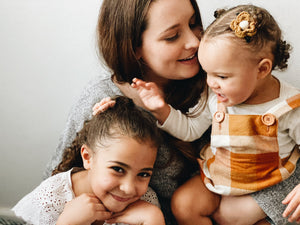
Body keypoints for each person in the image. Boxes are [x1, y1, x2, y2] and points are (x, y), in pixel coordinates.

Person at [131, 4, 300, 225]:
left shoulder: (289, 107)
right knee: (184, 204)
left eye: (221, 76)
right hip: (217, 179)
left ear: (262, 69)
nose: (211, 83)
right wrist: (160, 109)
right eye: (207, 73)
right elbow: (190, 130)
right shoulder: (215, 96)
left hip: (267, 184)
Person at [44, 0, 208, 224]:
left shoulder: (222, 81)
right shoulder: (101, 97)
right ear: (135, 48)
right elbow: (55, 184)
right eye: (172, 36)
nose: (194, 41)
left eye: (194, 24)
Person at [13, 96, 165, 225]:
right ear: (88, 157)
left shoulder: (146, 203)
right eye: (118, 169)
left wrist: (154, 219)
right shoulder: (49, 200)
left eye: (144, 174)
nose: (129, 188)